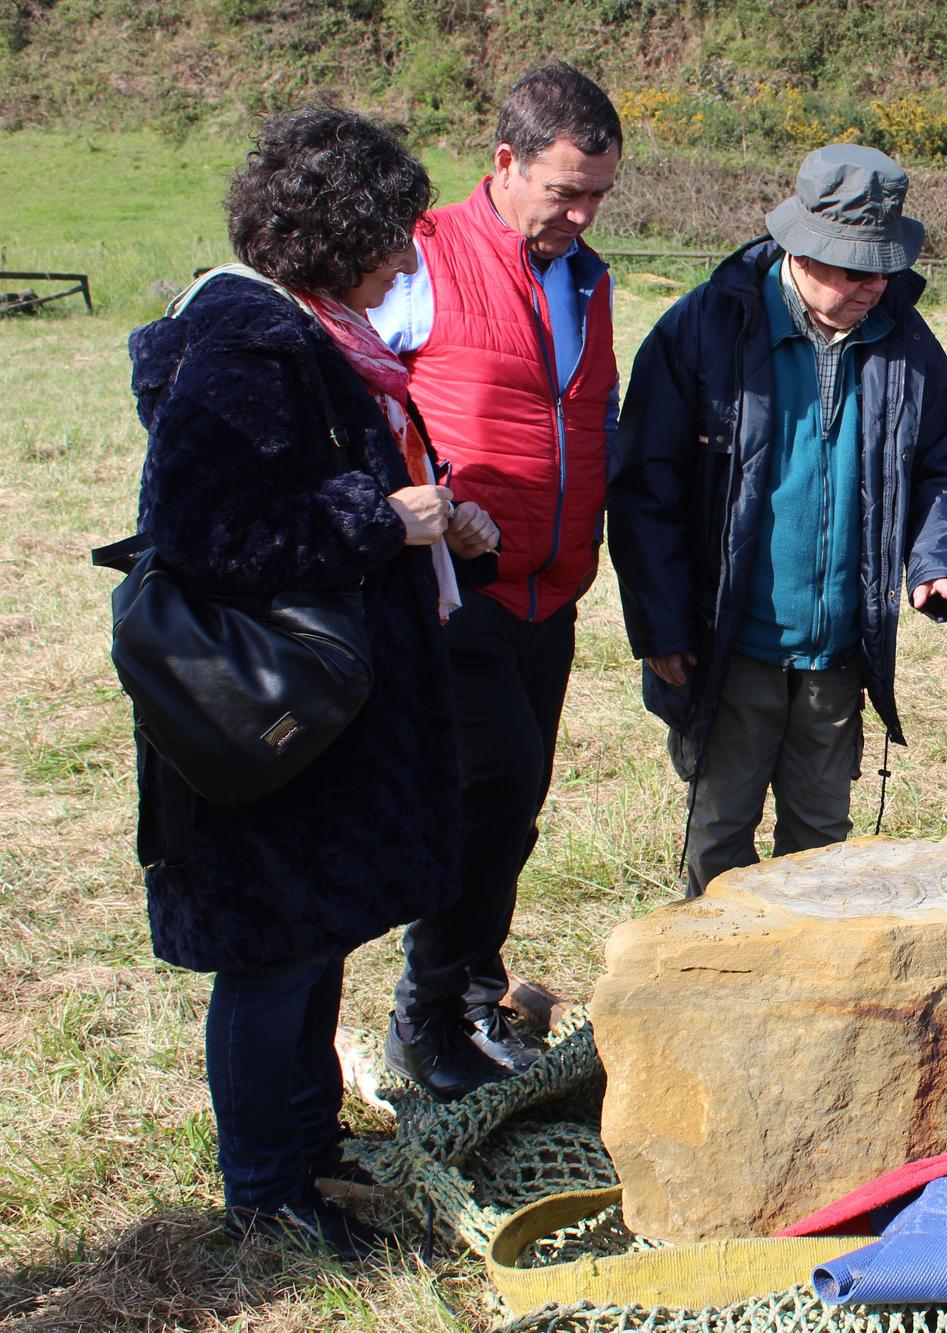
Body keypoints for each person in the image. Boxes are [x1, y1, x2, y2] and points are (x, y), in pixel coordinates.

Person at [127, 106, 499, 1258]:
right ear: (339, 233)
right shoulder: (252, 341)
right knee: (270, 955)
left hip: (319, 718)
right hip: (271, 716)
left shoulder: (313, 334)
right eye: (392, 234)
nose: (406, 258)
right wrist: (380, 518)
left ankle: (308, 1147)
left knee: (310, 940)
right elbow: (201, 530)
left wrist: (430, 527)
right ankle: (264, 1195)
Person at [608, 143, 947, 893]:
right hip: (729, 648)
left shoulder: (908, 343)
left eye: (884, 266)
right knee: (719, 841)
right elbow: (644, 487)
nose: (875, 285)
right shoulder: (701, 331)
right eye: (854, 268)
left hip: (840, 655)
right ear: (799, 249)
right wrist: (664, 626)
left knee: (822, 852)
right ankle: (717, 996)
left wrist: (940, 561)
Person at [370, 60, 622, 1099]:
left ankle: (476, 993)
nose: (580, 212)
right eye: (565, 189)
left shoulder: (588, 275)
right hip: (454, 591)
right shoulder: (420, 258)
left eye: (598, 193)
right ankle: (420, 1015)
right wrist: (418, 504)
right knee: (490, 790)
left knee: (517, 805)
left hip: (549, 588)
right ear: (504, 162)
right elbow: (355, 398)